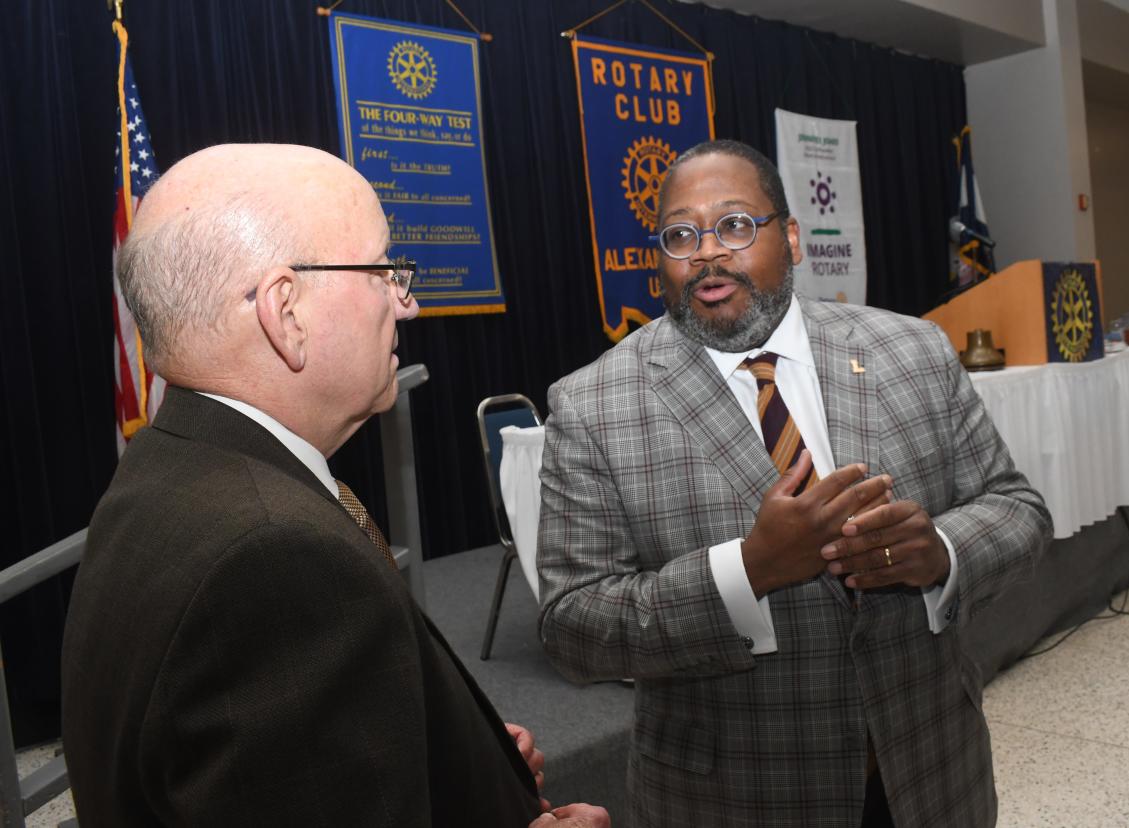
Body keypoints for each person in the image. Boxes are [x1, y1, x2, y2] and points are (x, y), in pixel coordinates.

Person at [61, 143, 607, 828]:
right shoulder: (273, 560)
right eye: (384, 270)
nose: (407, 304)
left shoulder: (168, 469)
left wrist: (461, 763)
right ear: (285, 311)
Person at [537, 139, 1051, 827]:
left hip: (929, 770)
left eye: (736, 226)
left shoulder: (913, 350)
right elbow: (572, 626)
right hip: (737, 797)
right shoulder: (593, 405)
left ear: (794, 238)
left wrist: (940, 552)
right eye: (681, 234)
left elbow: (1017, 509)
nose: (708, 253)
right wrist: (747, 571)